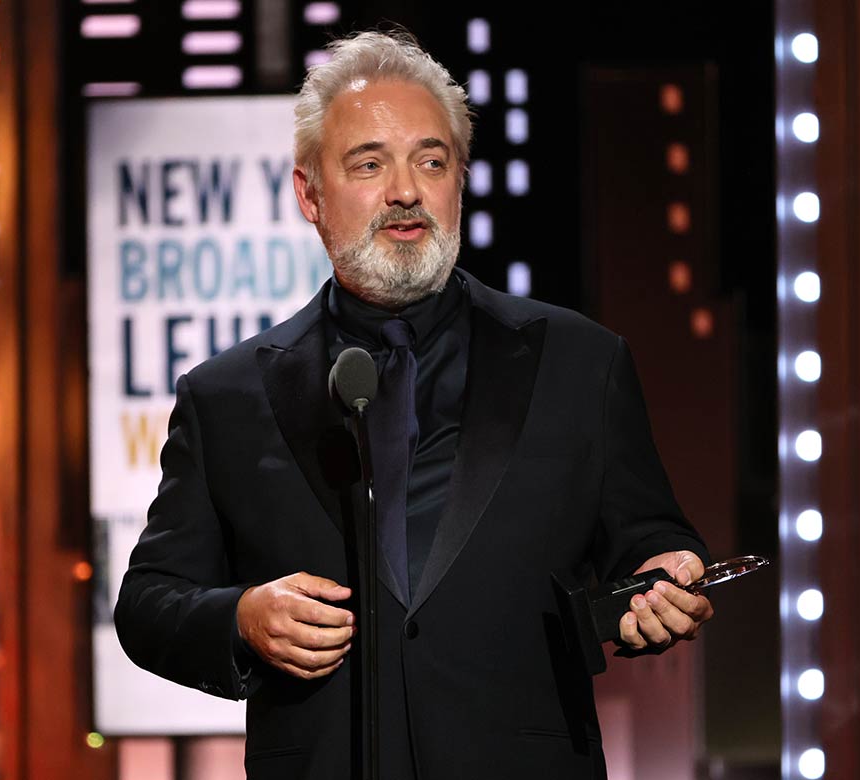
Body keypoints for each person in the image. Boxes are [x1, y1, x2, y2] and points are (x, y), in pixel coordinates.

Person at [114, 29, 714, 780]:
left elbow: (648, 536)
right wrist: (239, 619)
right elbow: (147, 603)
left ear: (458, 180)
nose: (405, 190)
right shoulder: (225, 396)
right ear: (309, 193)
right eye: (368, 163)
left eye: (431, 161)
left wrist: (661, 577)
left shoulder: (579, 362)